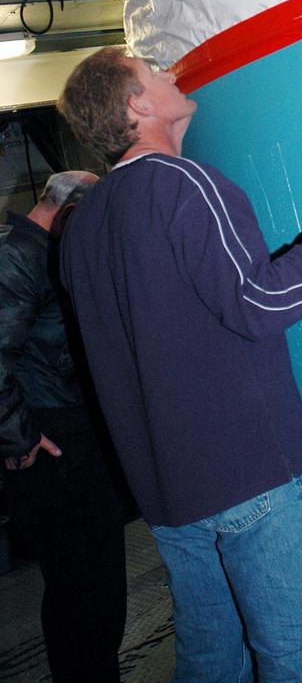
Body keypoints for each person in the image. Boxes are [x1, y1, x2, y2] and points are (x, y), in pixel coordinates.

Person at [57, 46, 302, 683]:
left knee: (212, 659)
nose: (168, 74)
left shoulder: (83, 226)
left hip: (168, 497)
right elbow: (260, 301)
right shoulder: (184, 182)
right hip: (251, 478)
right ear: (138, 105)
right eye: (152, 73)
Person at [0, 171, 128, 683]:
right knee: (90, 594)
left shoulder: (36, 255)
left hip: (62, 438)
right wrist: (21, 437)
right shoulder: (19, 260)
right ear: (69, 214)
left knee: (82, 591)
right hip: (55, 447)